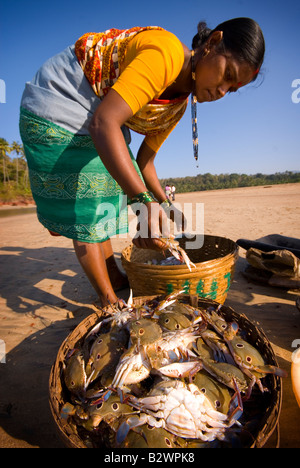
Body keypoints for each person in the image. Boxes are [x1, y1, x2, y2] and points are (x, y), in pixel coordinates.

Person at [19, 18, 265, 307]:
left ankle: (113, 271)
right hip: (61, 98)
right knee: (90, 196)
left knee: (114, 178)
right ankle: (109, 301)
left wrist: (165, 205)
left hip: (96, 111)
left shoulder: (178, 104)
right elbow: (104, 124)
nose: (222, 91)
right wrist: (144, 203)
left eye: (232, 89)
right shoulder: (165, 54)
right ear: (211, 44)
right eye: (226, 74)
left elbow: (144, 162)